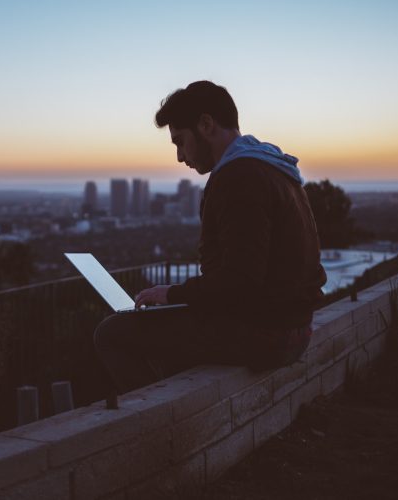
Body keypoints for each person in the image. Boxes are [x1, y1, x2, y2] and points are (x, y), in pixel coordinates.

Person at [94, 81, 327, 394]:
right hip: (293, 327)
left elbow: (240, 282)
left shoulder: (239, 176)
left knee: (112, 334)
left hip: (269, 335)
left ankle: (162, 422)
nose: (179, 156)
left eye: (180, 141)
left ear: (206, 125)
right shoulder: (274, 168)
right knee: (168, 331)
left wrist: (173, 295)